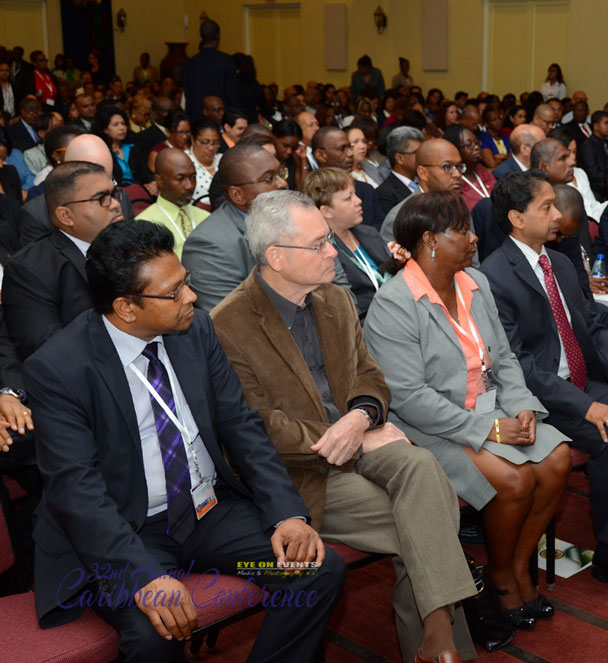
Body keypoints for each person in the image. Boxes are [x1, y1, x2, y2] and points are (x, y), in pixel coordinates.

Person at [27, 219, 342, 660]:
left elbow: (241, 424)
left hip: (209, 514)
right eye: (173, 293)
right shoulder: (60, 368)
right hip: (129, 530)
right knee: (154, 632)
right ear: (126, 307)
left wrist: (286, 514)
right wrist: (144, 575)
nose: (191, 297)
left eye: (186, 282)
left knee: (314, 569)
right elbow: (76, 490)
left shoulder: (195, 330)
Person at [211, 190, 474, 663]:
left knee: (420, 468)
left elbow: (371, 376)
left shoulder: (335, 299)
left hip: (361, 439)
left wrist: (360, 418)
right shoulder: (227, 324)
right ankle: (441, 646)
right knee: (426, 524)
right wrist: (349, 437)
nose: (334, 252)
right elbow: (255, 427)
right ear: (276, 256)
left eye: (329, 239)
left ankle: (437, 640)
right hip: (302, 474)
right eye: (319, 245)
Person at [481, 170, 608, 602]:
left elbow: (595, 329)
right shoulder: (494, 276)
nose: (558, 215)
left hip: (580, 381)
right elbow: (518, 364)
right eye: (546, 207)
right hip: (539, 398)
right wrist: (585, 406)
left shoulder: (559, 262)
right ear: (517, 218)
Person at [364, 191, 571, 630]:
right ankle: (501, 575)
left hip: (492, 408)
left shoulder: (474, 282)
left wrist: (523, 406)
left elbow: (505, 358)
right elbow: (409, 397)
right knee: (515, 480)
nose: (474, 238)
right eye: (461, 230)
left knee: (557, 459)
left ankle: (517, 566)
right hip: (433, 427)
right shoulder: (394, 303)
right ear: (429, 241)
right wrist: (490, 429)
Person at [3, 161, 124, 360]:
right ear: (66, 215)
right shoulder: (30, 269)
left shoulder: (134, 246)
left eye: (113, 194)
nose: (116, 205)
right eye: (101, 199)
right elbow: (48, 348)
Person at [182, 143, 287, 310]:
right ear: (238, 195)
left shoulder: (292, 218)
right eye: (269, 179)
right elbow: (233, 318)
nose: (283, 183)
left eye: (280, 173)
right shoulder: (209, 245)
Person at [301, 168, 389, 320]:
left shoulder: (369, 233)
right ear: (327, 211)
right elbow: (345, 308)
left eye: (355, 194)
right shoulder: (323, 252)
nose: (359, 200)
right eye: (349, 198)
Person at [380, 138, 464, 245]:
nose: (457, 174)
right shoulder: (399, 219)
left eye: (459, 166)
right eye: (447, 167)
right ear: (423, 173)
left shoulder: (458, 206)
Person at [310, 126, 385, 231]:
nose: (350, 153)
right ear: (321, 155)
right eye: (342, 149)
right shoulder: (309, 198)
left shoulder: (366, 190)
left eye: (350, 147)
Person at [136, 149, 209, 256]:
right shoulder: (144, 225)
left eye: (193, 177)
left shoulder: (206, 218)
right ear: (160, 181)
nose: (189, 185)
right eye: (180, 179)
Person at [182, 19, 237, 119]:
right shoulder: (227, 61)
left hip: (196, 117)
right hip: (220, 117)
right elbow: (231, 95)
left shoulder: (190, 63)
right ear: (218, 36)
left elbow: (188, 96)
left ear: (201, 36)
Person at [445, 125, 495, 212]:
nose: (476, 147)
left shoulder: (484, 174)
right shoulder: (454, 184)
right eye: (468, 145)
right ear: (455, 149)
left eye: (477, 143)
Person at [376, 126, 424, 212]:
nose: (422, 156)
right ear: (400, 158)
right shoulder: (385, 193)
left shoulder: (424, 181)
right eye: (417, 153)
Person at [183, 118, 221, 206]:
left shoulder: (223, 161)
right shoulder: (184, 161)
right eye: (205, 142)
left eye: (215, 143)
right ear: (193, 140)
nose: (211, 148)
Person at [578, 111, 608, 201]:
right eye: (606, 123)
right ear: (596, 126)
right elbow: (593, 174)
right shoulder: (588, 146)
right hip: (598, 192)